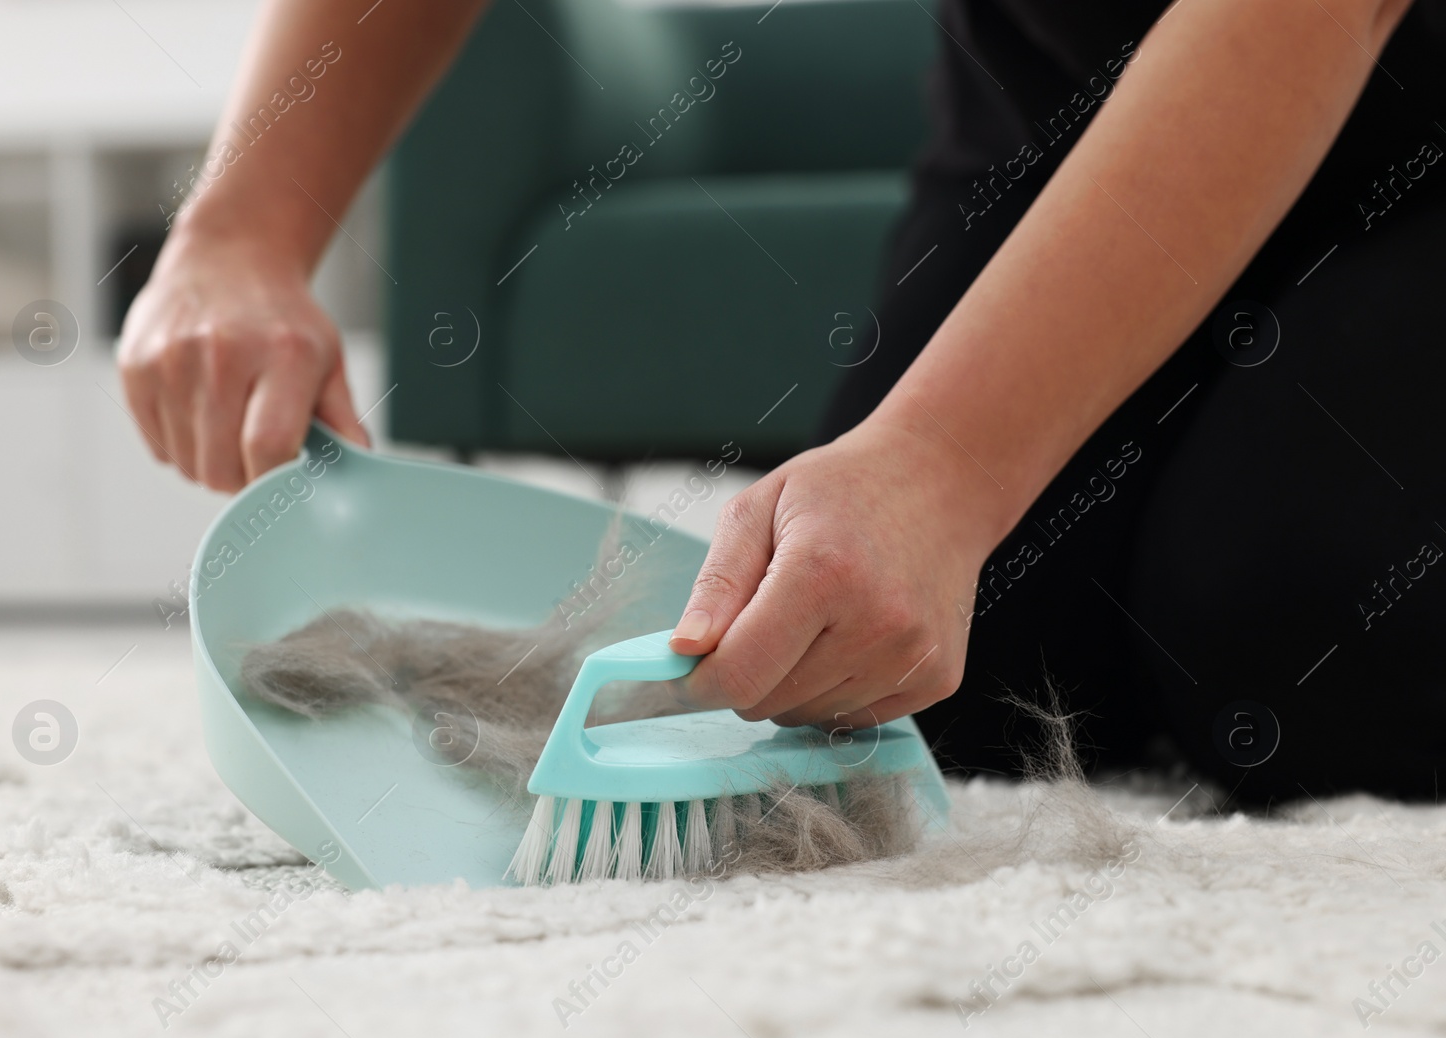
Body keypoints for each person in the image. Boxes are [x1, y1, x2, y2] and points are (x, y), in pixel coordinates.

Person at [119, 0, 1445, 806]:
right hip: (1060, 84)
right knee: (912, 688)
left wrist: (939, 463)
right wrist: (239, 226)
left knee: (1295, 638)